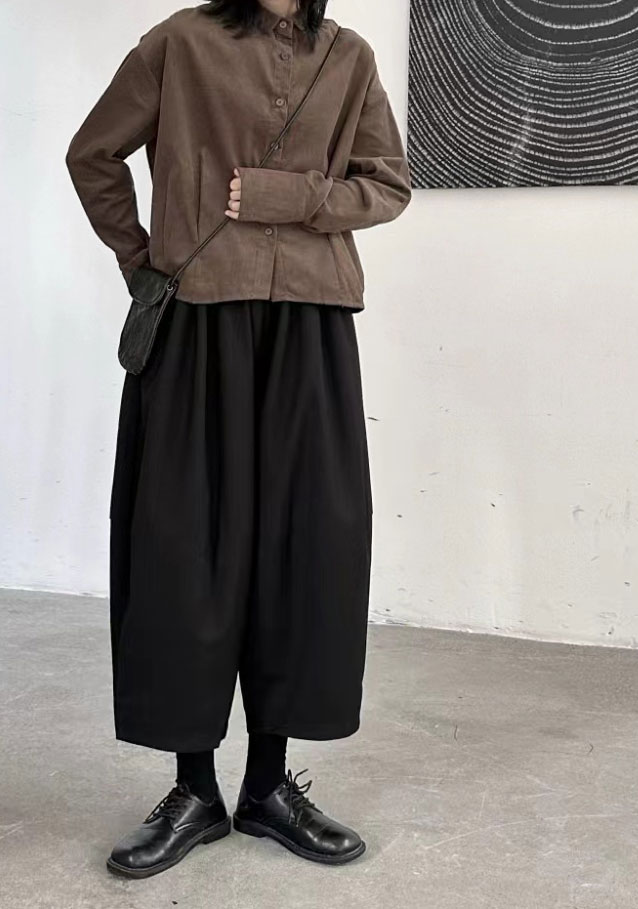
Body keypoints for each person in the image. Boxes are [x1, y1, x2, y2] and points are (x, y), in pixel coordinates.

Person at [65, 0, 411, 878]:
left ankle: (266, 787)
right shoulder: (180, 43)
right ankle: (193, 790)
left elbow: (389, 183)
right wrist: (143, 259)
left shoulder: (350, 57)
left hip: (311, 326)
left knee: (304, 547)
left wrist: (297, 198)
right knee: (184, 547)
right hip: (198, 322)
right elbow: (92, 153)